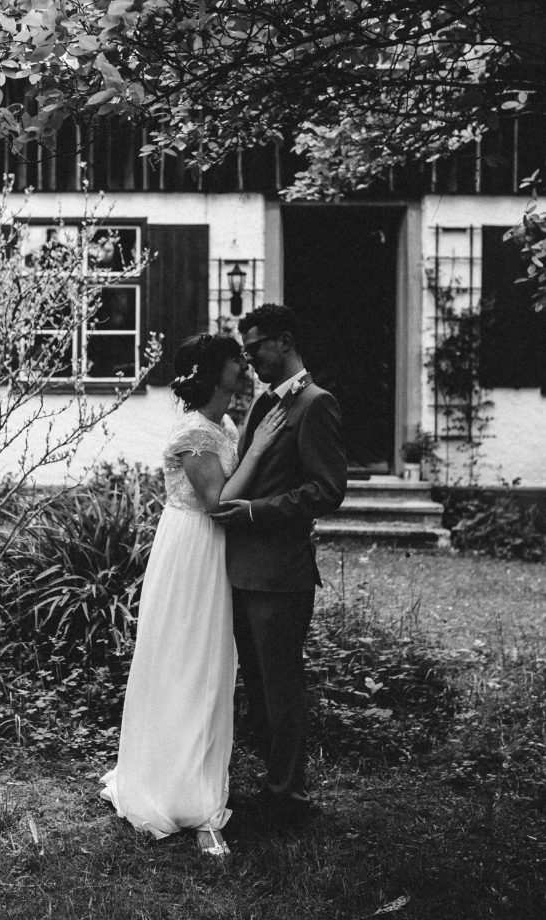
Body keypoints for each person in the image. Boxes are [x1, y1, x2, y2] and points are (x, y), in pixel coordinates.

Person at [101, 333, 287, 856]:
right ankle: (183, 799)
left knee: (212, 670)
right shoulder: (194, 435)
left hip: (215, 553)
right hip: (193, 551)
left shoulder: (222, 424)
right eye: (235, 359)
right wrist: (262, 447)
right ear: (213, 371)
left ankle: (201, 786)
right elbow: (218, 502)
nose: (244, 365)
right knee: (185, 663)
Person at [211, 304, 347, 819]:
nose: (249, 362)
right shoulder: (263, 404)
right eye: (243, 353)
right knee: (260, 687)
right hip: (243, 570)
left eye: (255, 350)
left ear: (284, 341)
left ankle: (289, 795)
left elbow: (328, 490)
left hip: (282, 573)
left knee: (283, 685)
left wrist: (255, 512)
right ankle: (275, 785)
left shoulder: (316, 405)